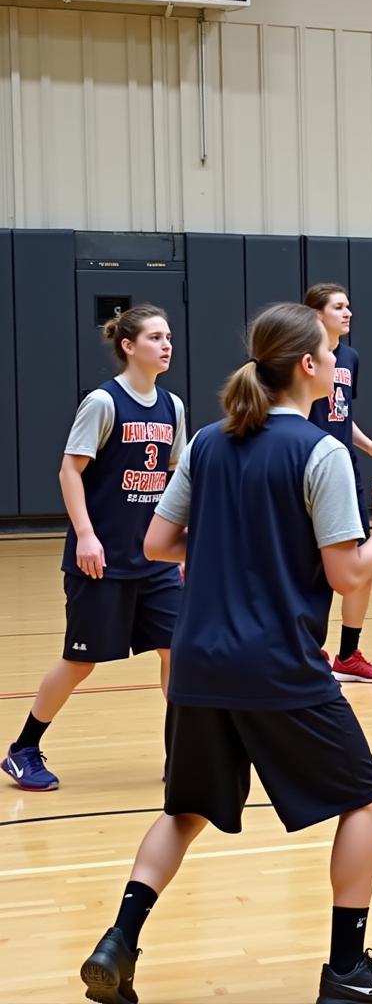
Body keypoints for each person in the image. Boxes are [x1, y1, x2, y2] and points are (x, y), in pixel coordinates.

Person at [79, 303, 372, 1004]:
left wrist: (224, 546)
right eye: (330, 353)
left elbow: (156, 545)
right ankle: (346, 973)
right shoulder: (319, 451)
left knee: (184, 810)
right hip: (276, 665)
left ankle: (118, 941)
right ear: (307, 366)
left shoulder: (209, 442)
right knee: (366, 801)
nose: (337, 363)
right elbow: (346, 574)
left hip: (199, 664)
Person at [2, 305, 185, 791]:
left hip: (155, 560)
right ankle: (23, 749)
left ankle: (181, 756)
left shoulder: (174, 407)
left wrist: (182, 546)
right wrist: (86, 534)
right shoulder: (104, 403)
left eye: (168, 336)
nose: (166, 345)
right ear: (128, 346)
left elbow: (173, 479)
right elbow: (70, 471)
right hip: (102, 558)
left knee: (176, 652)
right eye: (155, 337)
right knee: (80, 661)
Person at [305, 282, 372, 683]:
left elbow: (341, 413)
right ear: (316, 314)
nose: (348, 313)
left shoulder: (351, 357)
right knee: (310, 565)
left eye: (349, 307)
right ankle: (308, 648)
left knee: (363, 562)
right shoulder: (301, 356)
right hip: (307, 470)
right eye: (339, 307)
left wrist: (369, 445)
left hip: (345, 470)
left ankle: (348, 654)